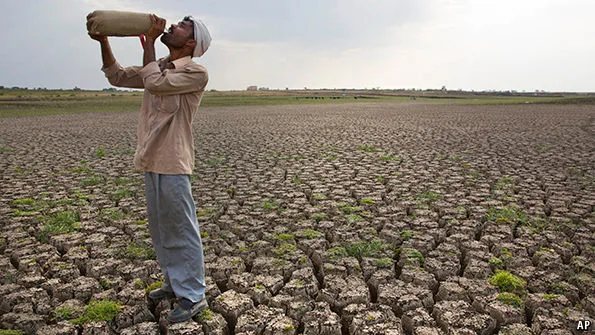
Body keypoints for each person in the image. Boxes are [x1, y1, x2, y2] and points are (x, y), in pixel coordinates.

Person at [89, 14, 212, 323]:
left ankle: (194, 296)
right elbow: (116, 76)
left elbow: (154, 83)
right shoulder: (158, 67)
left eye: (181, 25)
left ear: (191, 42)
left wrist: (151, 45)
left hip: (173, 161)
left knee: (182, 228)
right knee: (161, 230)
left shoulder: (196, 72)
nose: (172, 26)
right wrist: (104, 41)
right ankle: (173, 284)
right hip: (151, 159)